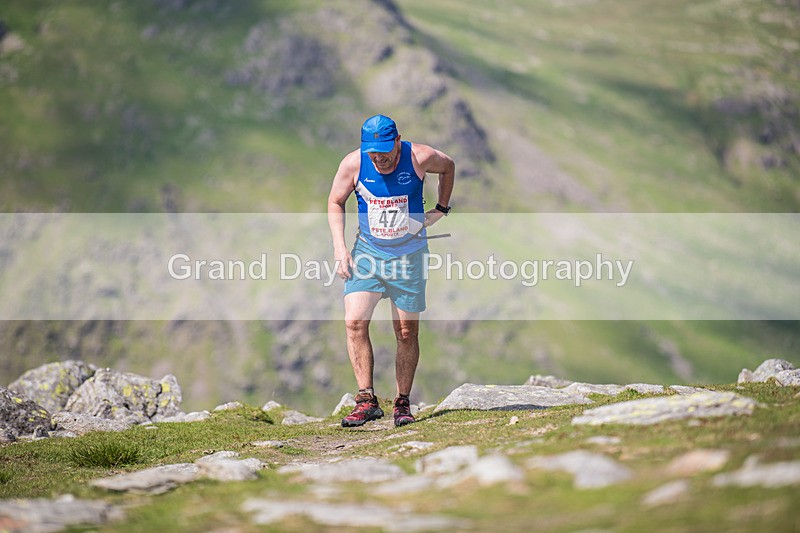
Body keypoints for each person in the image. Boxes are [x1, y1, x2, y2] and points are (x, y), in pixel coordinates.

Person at [327, 114, 455, 428]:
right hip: (368, 254)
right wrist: (340, 248)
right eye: (374, 153)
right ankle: (366, 400)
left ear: (398, 141)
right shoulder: (353, 164)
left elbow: (449, 166)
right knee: (355, 323)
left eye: (385, 151)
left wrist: (440, 209)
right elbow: (335, 201)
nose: (380, 158)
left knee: (406, 333)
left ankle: (402, 403)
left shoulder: (420, 157)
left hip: (409, 256)